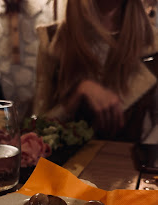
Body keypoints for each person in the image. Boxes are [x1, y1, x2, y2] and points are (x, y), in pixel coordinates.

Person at [33, 0, 158, 141]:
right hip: (66, 161)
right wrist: (77, 94)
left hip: (127, 160)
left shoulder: (152, 45)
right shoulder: (53, 41)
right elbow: (36, 132)